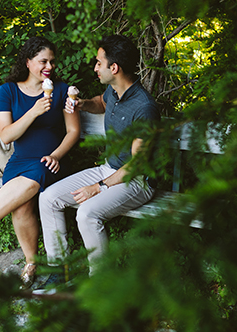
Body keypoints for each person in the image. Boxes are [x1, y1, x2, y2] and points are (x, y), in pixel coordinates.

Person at [0, 37, 81, 287]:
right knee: (21, 205)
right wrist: (34, 111)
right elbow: (6, 136)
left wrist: (57, 155)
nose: (49, 66)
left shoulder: (63, 90)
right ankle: (32, 262)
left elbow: (73, 131)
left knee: (33, 180)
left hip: (51, 161)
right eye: (43, 61)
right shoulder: (7, 91)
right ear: (28, 62)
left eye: (52, 61)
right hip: (19, 161)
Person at [37, 34, 159, 278]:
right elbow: (100, 103)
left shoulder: (144, 107)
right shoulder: (113, 91)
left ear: (114, 68)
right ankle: (58, 272)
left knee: (87, 213)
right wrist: (82, 104)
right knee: (48, 198)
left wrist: (98, 187)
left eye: (98, 63)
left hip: (137, 180)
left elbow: (137, 166)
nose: (95, 68)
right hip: (109, 169)